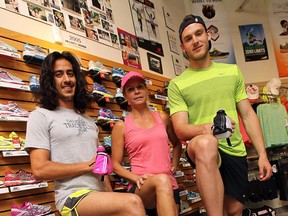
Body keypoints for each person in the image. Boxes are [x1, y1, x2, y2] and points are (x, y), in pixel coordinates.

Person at [168, 14, 272, 216]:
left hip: (233, 149)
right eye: (188, 38)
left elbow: (248, 115)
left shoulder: (232, 72)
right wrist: (207, 129)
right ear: (182, 47)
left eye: (199, 34)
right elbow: (180, 129)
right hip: (201, 148)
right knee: (208, 143)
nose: (195, 41)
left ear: (208, 35)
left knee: (234, 211)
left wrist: (262, 155)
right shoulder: (177, 84)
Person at [25, 51, 146, 216]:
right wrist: (87, 165)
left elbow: (101, 170)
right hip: (72, 197)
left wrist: (111, 195)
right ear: (50, 81)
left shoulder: (89, 121)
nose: (67, 79)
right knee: (133, 202)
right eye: (59, 74)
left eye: (70, 73)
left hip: (98, 195)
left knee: (131, 205)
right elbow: (40, 169)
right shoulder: (40, 116)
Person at [111, 71, 182, 216]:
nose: (136, 91)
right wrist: (135, 178)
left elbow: (177, 144)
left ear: (146, 90)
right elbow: (115, 165)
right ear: (126, 97)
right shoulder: (121, 126)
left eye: (140, 87)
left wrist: (174, 165)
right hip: (142, 186)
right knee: (162, 180)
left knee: (165, 182)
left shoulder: (163, 118)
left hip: (169, 183)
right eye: (131, 89)